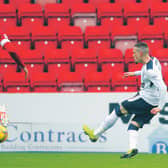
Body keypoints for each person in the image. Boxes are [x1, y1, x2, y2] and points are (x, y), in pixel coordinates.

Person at [83, 42, 167, 159]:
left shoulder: (150, 71)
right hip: (152, 103)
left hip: (144, 99)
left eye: (134, 53)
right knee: (134, 124)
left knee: (119, 109)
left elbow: (163, 87)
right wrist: (135, 73)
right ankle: (133, 148)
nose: (133, 55)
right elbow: (149, 73)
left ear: (141, 53)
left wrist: (161, 107)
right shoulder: (154, 61)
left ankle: (95, 135)